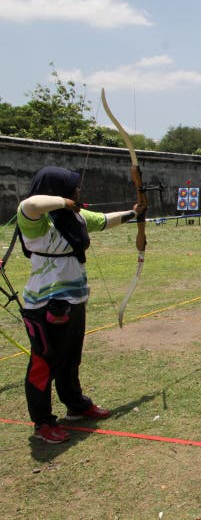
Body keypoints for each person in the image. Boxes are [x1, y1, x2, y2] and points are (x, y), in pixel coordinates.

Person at [17, 166, 143, 444]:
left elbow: (103, 220)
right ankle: (43, 422)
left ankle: (76, 405)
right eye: (73, 187)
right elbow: (30, 203)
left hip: (73, 301)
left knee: (70, 358)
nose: (78, 191)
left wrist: (134, 213)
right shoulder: (37, 221)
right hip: (45, 305)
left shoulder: (73, 218)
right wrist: (65, 202)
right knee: (44, 363)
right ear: (58, 192)